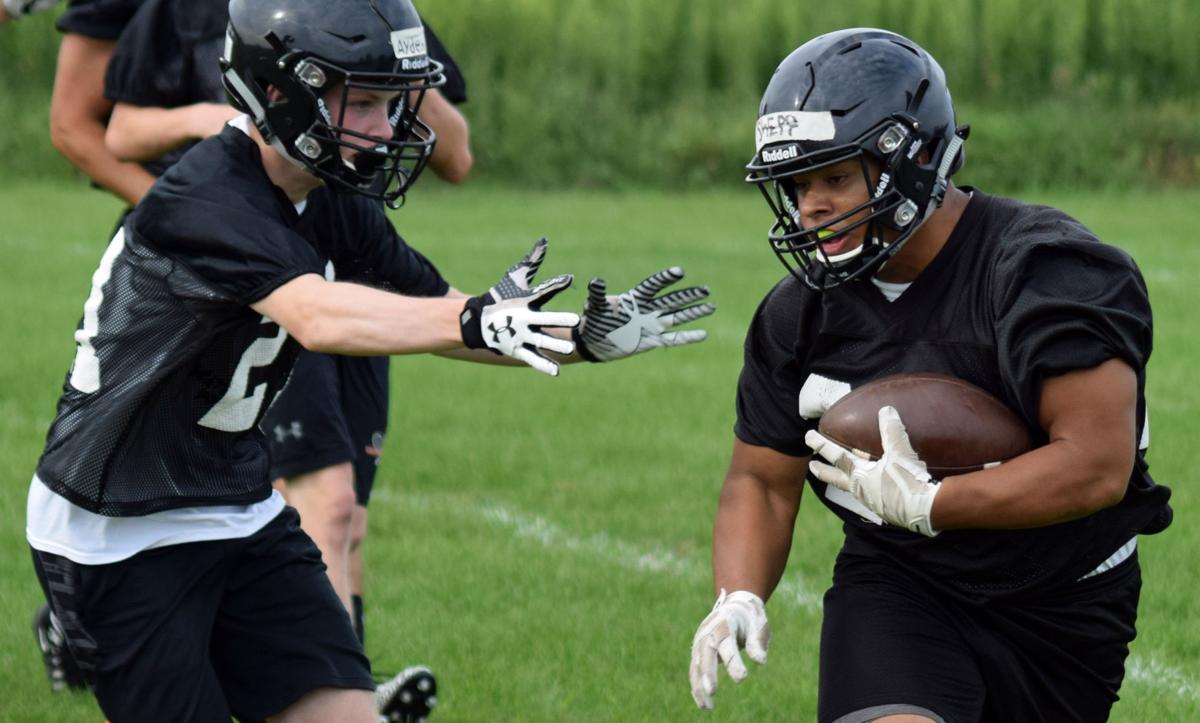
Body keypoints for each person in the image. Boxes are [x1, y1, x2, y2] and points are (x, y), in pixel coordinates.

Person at [26, 1, 713, 720]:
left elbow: (454, 314)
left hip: (236, 504)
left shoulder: (329, 195)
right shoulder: (205, 197)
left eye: (395, 104)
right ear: (283, 92)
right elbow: (319, 316)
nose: (389, 130)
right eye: (367, 103)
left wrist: (583, 340)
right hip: (118, 528)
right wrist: (475, 318)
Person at [687, 27, 1172, 723]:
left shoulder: (1045, 272)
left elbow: (1096, 466)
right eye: (798, 184)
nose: (811, 207)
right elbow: (761, 479)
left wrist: (934, 501)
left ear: (913, 162)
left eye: (835, 176)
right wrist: (737, 592)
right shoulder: (798, 315)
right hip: (900, 582)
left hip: (1061, 595)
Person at [98, 0, 476, 663]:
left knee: (345, 512)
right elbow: (111, 133)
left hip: (323, 240)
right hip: (241, 264)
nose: (388, 133)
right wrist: (185, 203)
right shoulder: (187, 19)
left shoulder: (374, 15)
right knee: (318, 498)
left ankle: (338, 680)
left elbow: (457, 158)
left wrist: (397, 75)